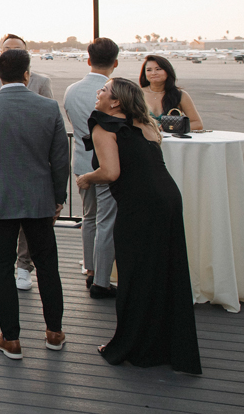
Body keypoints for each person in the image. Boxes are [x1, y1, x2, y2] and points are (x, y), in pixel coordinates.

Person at [77, 77, 202, 375]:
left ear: (116, 101)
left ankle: (132, 345)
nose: (98, 93)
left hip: (141, 206)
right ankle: (167, 343)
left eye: (104, 90)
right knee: (164, 270)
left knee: (135, 274)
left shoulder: (103, 126)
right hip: (169, 199)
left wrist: (86, 179)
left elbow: (110, 172)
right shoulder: (146, 124)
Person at [0, 49, 70, 359]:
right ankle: (54, 332)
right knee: (48, 266)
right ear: (27, 74)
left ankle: (11, 339)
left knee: (1, 268)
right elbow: (60, 160)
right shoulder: (49, 108)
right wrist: (59, 198)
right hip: (39, 199)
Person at [0, 33, 54, 292]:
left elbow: (51, 129)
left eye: (16, 48)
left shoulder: (42, 82)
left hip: (32, 166)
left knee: (29, 227)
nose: (10, 51)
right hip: (1, 166)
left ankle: (24, 265)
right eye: (6, 48)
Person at [64, 38, 120, 298]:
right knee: (107, 222)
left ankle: (89, 268)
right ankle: (101, 278)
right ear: (115, 63)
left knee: (89, 219)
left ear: (88, 60)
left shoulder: (71, 90)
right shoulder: (117, 91)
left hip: (82, 161)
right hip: (109, 164)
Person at [141, 55, 204, 131]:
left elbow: (197, 124)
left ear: (168, 71)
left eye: (158, 69)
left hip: (172, 141)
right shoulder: (137, 94)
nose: (153, 73)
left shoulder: (180, 95)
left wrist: (170, 127)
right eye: (149, 70)